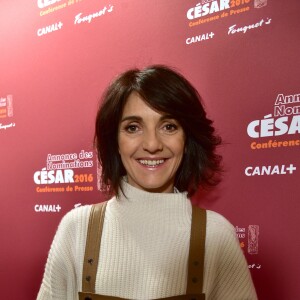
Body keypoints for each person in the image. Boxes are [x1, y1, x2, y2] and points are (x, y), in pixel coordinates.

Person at [37, 65, 257, 300]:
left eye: (169, 126)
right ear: (115, 142)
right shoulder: (76, 229)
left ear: (187, 139)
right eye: (133, 127)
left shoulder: (216, 235)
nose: (152, 144)